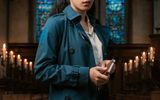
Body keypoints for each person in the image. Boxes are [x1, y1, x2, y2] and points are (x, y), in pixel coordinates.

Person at [34, 0, 115, 100]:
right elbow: (42, 70)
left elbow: (95, 63)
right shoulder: (56, 23)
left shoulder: (97, 28)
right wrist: (86, 75)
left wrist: (106, 66)